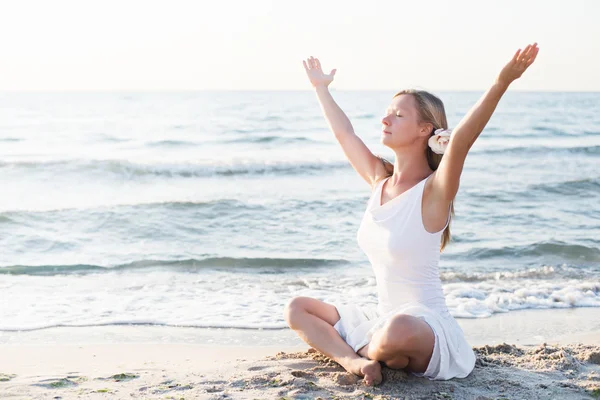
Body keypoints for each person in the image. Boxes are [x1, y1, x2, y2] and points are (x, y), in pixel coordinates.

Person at [284, 43, 539, 385]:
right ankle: (355, 361)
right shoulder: (379, 180)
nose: (385, 119)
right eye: (388, 112)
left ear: (425, 130)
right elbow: (344, 133)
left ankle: (375, 350)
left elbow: (462, 140)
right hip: (383, 318)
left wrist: (502, 82)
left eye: (399, 115)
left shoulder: (433, 192)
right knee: (298, 308)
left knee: (398, 331)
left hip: (425, 326)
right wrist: (321, 89)